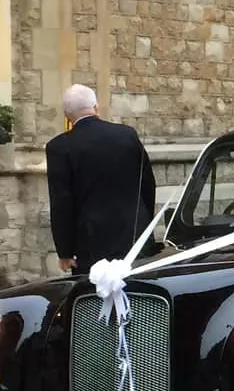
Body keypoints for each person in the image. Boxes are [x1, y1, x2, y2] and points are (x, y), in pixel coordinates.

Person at [45, 85, 157, 275]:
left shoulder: (59, 147)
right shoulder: (127, 135)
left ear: (67, 115)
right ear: (96, 108)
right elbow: (147, 184)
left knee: (93, 299)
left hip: (91, 246)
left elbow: (61, 202)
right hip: (134, 238)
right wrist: (144, 224)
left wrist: (65, 252)